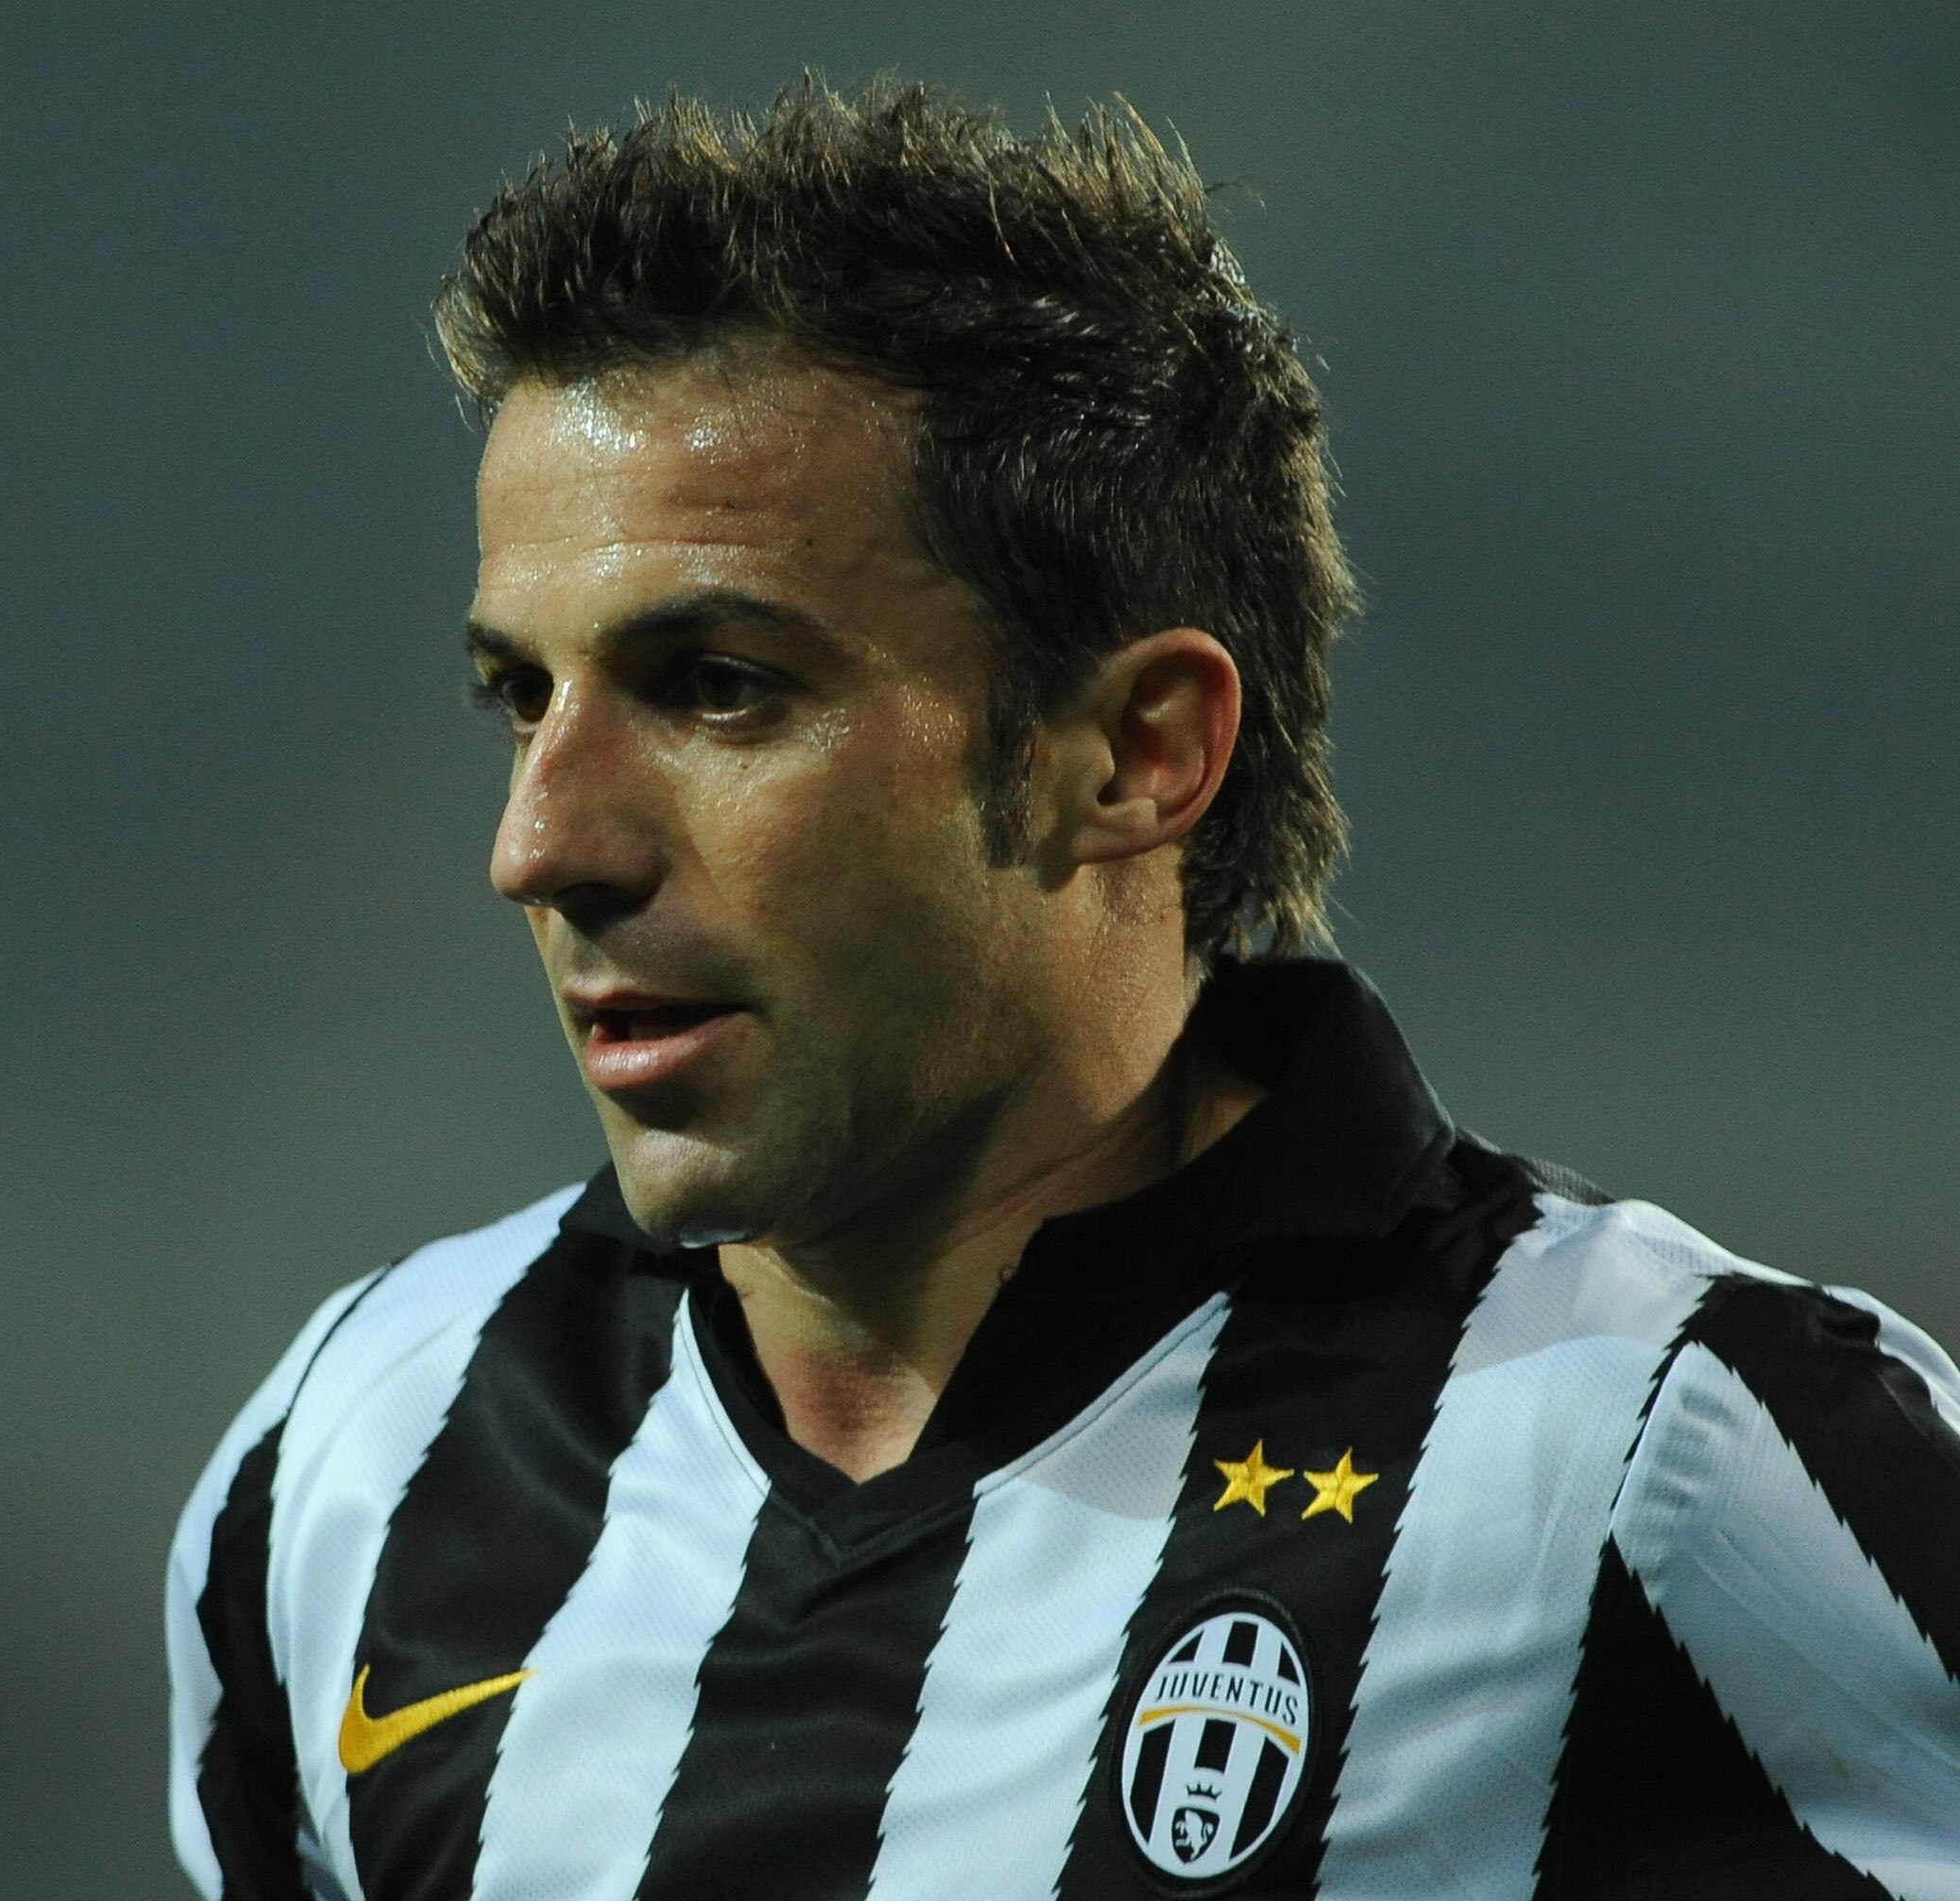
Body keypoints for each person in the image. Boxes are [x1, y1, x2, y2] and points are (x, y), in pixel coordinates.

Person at [165, 79, 1960, 1901]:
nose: (543, 844)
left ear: (1132, 752)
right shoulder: (366, 1456)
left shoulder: (1661, 1447)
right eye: (521, 698)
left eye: (718, 686)